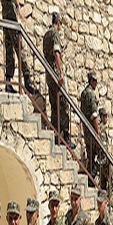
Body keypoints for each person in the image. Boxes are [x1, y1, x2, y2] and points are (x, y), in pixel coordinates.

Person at [0, 0, 36, 95]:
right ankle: (27, 79)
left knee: (9, 47)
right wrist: (18, 5)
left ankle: (9, 81)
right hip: (10, 10)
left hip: (4, 11)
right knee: (19, 45)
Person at [43, 12, 70, 146]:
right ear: (58, 23)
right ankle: (65, 136)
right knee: (64, 104)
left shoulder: (46, 34)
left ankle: (56, 135)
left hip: (48, 75)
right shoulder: (55, 33)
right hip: (54, 72)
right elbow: (56, 52)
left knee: (54, 106)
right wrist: (61, 72)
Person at [80, 71, 99, 177]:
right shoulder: (91, 94)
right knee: (98, 154)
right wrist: (97, 132)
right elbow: (94, 114)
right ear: (91, 81)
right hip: (91, 128)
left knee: (90, 153)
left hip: (86, 128)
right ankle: (92, 176)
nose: (96, 83)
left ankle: (90, 176)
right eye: (94, 81)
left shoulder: (83, 93)